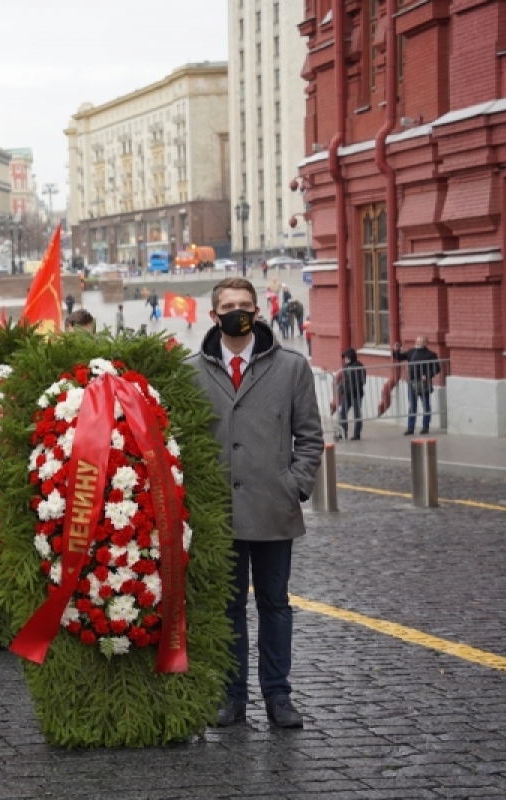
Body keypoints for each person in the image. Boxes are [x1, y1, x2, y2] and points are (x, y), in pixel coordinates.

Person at [184, 276, 322, 729]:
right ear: (213, 315)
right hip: (218, 515)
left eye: (244, 305)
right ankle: (231, 696)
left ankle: (278, 696)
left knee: (275, 604)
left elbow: (310, 436)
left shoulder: (291, 368)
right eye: (228, 306)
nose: (237, 313)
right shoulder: (191, 371)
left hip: (273, 509)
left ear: (257, 313)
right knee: (227, 609)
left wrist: (294, 485)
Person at [393, 336, 442, 435]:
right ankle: (410, 428)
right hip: (411, 382)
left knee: (426, 405)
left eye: (420, 341)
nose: (417, 343)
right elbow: (399, 357)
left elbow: (437, 368)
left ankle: (425, 427)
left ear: (425, 343)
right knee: (412, 405)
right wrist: (395, 351)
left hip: (423, 383)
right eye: (417, 341)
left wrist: (427, 375)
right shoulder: (412, 352)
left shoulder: (430, 354)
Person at [337, 348, 367, 441]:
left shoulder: (359, 366)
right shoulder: (346, 367)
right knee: (343, 412)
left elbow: (362, 380)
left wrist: (353, 387)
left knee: (357, 413)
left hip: (356, 394)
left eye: (347, 357)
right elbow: (344, 380)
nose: (345, 359)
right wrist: (341, 388)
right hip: (347, 394)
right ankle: (343, 432)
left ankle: (357, 434)